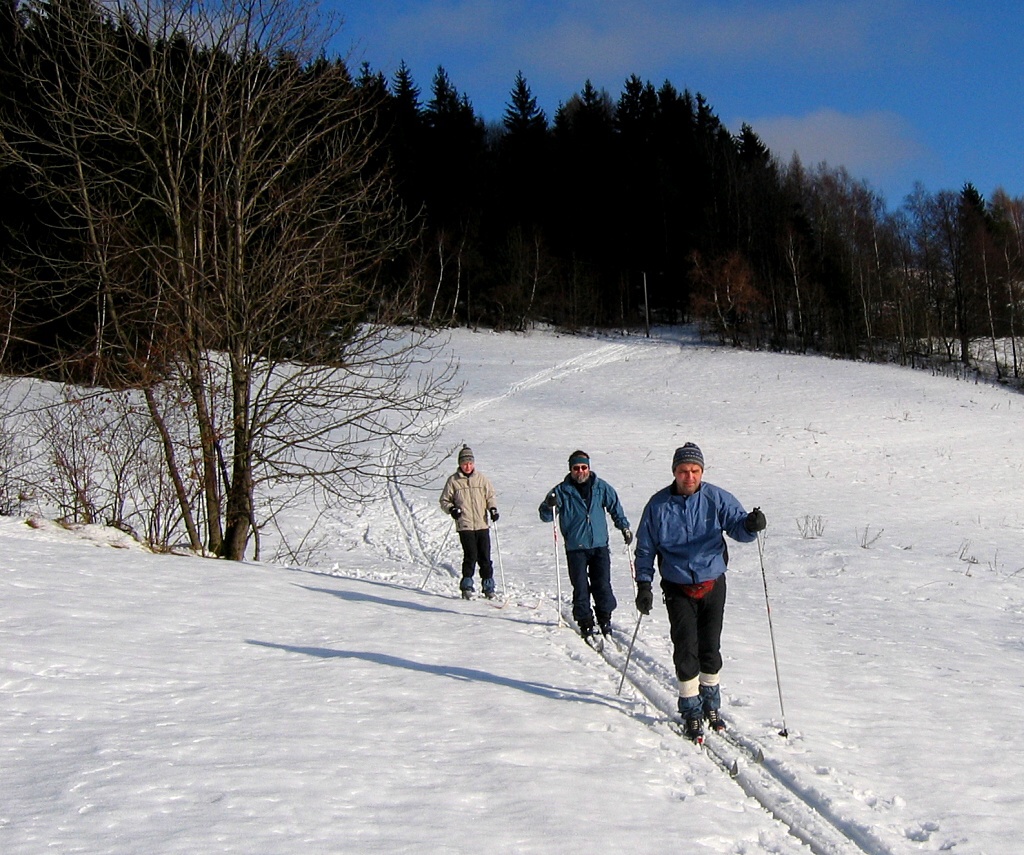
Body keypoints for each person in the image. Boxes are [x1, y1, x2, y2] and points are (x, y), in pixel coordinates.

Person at [633, 442, 766, 743]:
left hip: (712, 584)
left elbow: (738, 528)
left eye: (694, 471)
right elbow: (644, 548)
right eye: (683, 471)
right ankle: (691, 710)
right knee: (686, 649)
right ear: (674, 472)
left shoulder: (716, 498)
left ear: (701, 472)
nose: (689, 476)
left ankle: (711, 705)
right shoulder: (657, 506)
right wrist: (644, 585)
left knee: (710, 648)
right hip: (677, 585)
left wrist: (751, 524)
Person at [539, 450, 632, 645]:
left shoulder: (600, 487)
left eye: (584, 467)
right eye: (576, 468)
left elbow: (615, 506)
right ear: (570, 469)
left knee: (603, 585)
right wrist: (549, 505)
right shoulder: (562, 491)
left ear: (589, 468)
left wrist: (623, 527)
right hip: (576, 548)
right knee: (581, 587)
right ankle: (585, 622)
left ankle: (605, 619)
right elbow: (546, 516)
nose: (580, 471)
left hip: (599, 545)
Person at [439, 445, 499, 599]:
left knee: (485, 556)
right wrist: (452, 509)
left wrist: (492, 509)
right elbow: (444, 500)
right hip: (465, 524)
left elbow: (490, 496)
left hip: (481, 523)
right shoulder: (453, 481)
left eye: (470, 463)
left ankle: (488, 586)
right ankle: (467, 585)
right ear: (460, 464)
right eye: (465, 463)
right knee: (470, 555)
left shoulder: (481, 479)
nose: (468, 466)